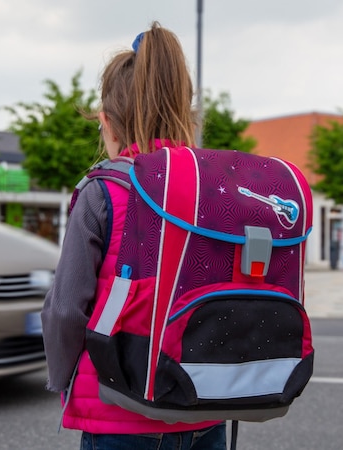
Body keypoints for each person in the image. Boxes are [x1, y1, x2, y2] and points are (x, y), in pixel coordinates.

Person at [41, 22, 227, 450]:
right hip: (202, 411)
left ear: (106, 122)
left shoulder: (103, 192)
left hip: (120, 415)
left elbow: (65, 310)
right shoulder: (215, 193)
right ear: (187, 113)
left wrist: (64, 378)